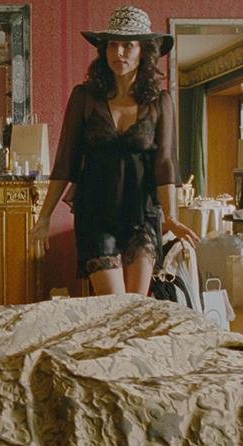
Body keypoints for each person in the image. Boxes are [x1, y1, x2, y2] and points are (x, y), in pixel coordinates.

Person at [31, 6, 198, 296]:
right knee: (114, 304)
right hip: (95, 213)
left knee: (134, 306)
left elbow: (165, 163)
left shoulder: (160, 101)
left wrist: (171, 217)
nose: (118, 52)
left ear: (144, 51)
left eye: (128, 45)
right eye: (112, 44)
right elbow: (66, 161)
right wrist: (44, 216)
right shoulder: (84, 97)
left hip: (142, 216)